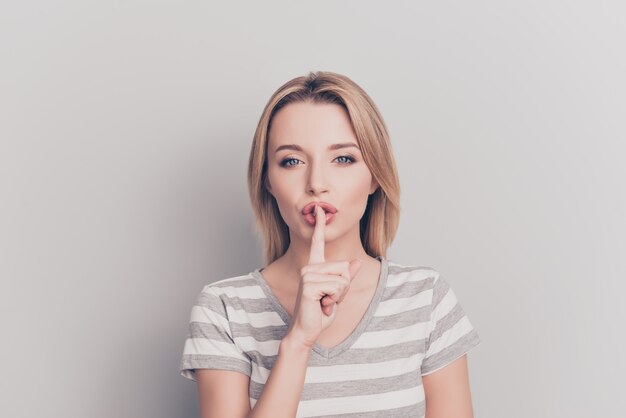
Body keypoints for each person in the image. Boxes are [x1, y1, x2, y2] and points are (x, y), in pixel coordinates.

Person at [179, 71, 481, 417]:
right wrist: (298, 342)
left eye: (343, 159)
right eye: (291, 161)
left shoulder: (425, 298)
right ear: (267, 181)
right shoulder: (224, 309)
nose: (316, 183)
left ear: (375, 177)